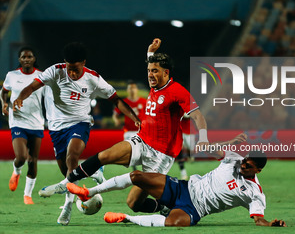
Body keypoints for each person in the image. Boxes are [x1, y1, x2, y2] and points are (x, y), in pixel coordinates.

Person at [37, 38, 209, 216]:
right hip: (142, 140)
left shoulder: (177, 91)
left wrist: (203, 138)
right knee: (104, 155)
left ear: (166, 73)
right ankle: (66, 183)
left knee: (133, 203)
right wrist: (150, 52)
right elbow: (152, 66)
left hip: (161, 153)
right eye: (149, 70)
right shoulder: (155, 82)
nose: (150, 74)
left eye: (154, 71)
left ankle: (165, 207)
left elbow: (198, 115)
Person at [13, 42, 140, 225]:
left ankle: (67, 207)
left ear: (84, 63)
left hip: (79, 123)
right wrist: (19, 98)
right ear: (65, 63)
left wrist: (134, 117)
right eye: (69, 68)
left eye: (76, 69)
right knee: (68, 173)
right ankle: (92, 173)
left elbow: (116, 99)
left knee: (72, 157)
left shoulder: (93, 78)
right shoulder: (55, 71)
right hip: (56, 128)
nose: (71, 73)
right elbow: (32, 87)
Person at [67, 134, 286, 227]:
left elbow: (258, 219)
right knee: (137, 177)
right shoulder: (233, 159)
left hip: (195, 209)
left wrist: (270, 224)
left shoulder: (255, 192)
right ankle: (90, 192)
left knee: (173, 223)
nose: (244, 165)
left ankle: (126, 218)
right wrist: (231, 141)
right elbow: (207, 148)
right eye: (245, 160)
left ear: (258, 170)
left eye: (249, 165)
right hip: (183, 188)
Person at [0, 46, 44, 205]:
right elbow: (3, 91)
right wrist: (4, 103)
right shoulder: (12, 76)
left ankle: (27, 195)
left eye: (29, 57)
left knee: (33, 161)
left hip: (37, 123)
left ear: (34, 59)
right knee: (22, 157)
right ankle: (16, 170)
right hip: (17, 121)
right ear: (19, 60)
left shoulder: (41, 76)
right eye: (23, 57)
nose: (26, 59)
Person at [112, 80, 146, 171]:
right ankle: (134, 169)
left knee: (143, 152)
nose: (132, 90)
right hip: (129, 131)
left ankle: (143, 169)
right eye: (130, 88)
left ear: (137, 90)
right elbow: (115, 114)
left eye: (134, 88)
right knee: (131, 152)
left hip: (141, 131)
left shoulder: (143, 101)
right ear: (127, 90)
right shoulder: (124, 102)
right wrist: (116, 120)